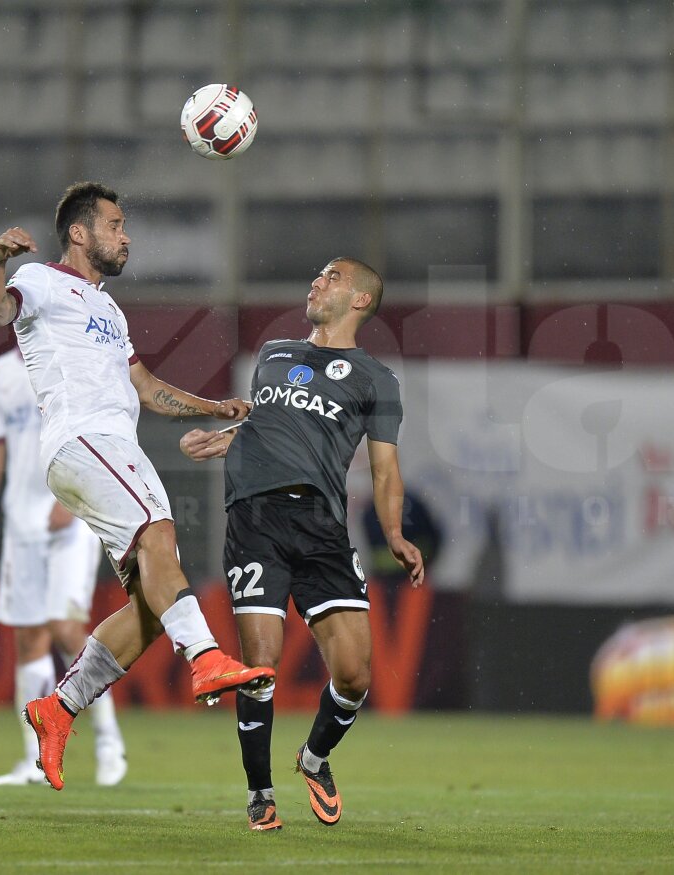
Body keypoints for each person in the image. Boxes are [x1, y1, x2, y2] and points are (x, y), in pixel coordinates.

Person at [0, 181, 275, 791]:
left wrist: (214, 408)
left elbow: (146, 387)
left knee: (148, 603)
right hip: (84, 441)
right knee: (159, 532)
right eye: (115, 224)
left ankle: (57, 708)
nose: (126, 234)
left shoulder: (109, 309)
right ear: (81, 233)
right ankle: (206, 659)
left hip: (111, 449)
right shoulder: (40, 280)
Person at [180, 257, 424, 831]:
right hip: (256, 518)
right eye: (316, 274)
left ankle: (314, 759)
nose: (317, 280)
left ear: (361, 301)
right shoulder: (275, 354)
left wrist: (394, 534)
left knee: (356, 674)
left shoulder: (376, 380)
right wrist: (225, 438)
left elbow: (384, 470)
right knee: (259, 667)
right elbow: (269, 424)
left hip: (322, 527)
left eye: (333, 277)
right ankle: (260, 794)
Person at [0, 347, 127, 787]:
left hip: (71, 519)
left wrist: (71, 498)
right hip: (21, 523)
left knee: (64, 628)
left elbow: (99, 434)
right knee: (28, 640)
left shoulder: (71, 363)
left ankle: (108, 740)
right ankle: (34, 759)